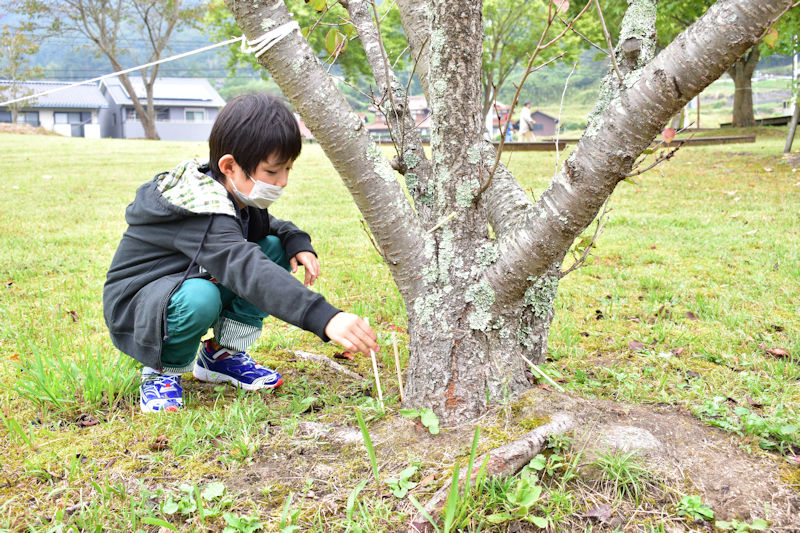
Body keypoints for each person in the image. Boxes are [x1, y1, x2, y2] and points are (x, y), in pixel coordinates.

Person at [103, 93, 378, 413]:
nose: (283, 181)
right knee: (201, 297)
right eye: (272, 172)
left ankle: (221, 355)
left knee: (273, 248)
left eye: (288, 169)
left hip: (184, 282)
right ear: (230, 166)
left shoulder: (230, 193)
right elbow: (247, 269)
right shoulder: (200, 209)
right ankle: (161, 369)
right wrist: (324, 317)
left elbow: (268, 226)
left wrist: (296, 241)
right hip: (140, 307)